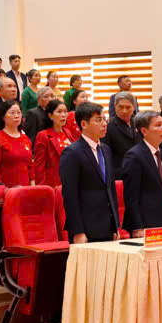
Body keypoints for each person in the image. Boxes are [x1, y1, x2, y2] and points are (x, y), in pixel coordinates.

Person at [59, 102, 119, 243]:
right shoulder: (72, 152)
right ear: (84, 124)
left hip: (107, 226)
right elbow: (70, 195)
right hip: (86, 228)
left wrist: (115, 225)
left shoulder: (106, 149)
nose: (104, 124)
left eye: (105, 119)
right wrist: (78, 231)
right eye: (98, 120)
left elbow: (110, 189)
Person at [121, 111, 162, 237]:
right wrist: (137, 226)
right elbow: (131, 196)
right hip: (144, 224)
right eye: (158, 125)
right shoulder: (134, 156)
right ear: (144, 131)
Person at [0, 101, 32, 185]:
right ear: (3, 117)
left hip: (26, 187)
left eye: (19, 112)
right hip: (7, 189)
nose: (16, 116)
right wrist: (1, 188)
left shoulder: (25, 138)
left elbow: (30, 166)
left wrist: (32, 185)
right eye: (12, 113)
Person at [32, 99, 71, 187]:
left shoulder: (67, 132)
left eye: (65, 111)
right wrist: (42, 188)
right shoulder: (43, 135)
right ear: (50, 116)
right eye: (59, 112)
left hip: (69, 181)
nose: (63, 115)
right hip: (53, 184)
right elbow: (39, 166)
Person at [102, 92, 141, 176]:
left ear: (134, 107)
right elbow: (105, 156)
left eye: (128, 107)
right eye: (120, 107)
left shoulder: (138, 124)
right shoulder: (108, 127)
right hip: (119, 174)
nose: (124, 111)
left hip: (139, 172)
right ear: (115, 106)